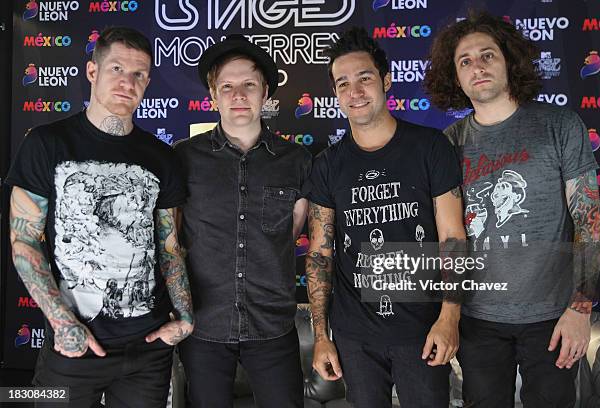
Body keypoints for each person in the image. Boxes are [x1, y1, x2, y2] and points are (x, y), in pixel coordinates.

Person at [7, 26, 193, 407]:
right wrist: (61, 322)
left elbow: (170, 246)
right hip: (74, 345)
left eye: (139, 74)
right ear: (92, 72)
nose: (128, 82)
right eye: (116, 69)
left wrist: (186, 317)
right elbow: (24, 240)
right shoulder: (47, 143)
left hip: (148, 348)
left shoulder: (162, 157)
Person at [425, 11, 600, 407]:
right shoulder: (448, 143)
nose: (477, 67)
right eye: (464, 61)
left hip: (552, 317)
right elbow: (447, 235)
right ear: (455, 77)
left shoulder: (559, 125)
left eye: (487, 55)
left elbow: (588, 222)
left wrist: (580, 308)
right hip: (479, 319)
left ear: (509, 61)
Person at [304, 27, 466, 408]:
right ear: (335, 94)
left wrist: (449, 316)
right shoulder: (327, 165)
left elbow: (453, 236)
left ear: (387, 81)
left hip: (421, 330)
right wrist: (322, 336)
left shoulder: (430, 147)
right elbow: (319, 254)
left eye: (364, 78)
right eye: (343, 83)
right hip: (354, 336)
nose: (354, 91)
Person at [174, 34, 311, 408]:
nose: (238, 95)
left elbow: (292, 233)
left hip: (272, 328)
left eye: (249, 85)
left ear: (265, 91)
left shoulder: (297, 160)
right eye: (227, 86)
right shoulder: (183, 158)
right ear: (212, 93)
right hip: (204, 328)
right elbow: (171, 238)